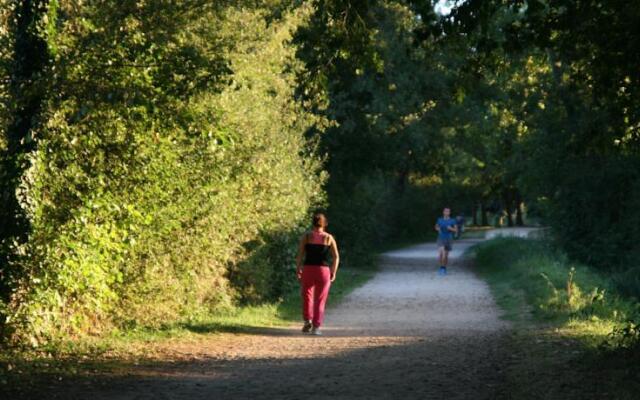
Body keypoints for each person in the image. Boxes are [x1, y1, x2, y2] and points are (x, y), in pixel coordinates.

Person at [295, 213, 340, 336]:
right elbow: (336, 257)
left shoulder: (307, 236)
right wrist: (333, 271)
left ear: (313, 223)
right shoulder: (329, 238)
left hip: (308, 269)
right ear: (325, 224)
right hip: (323, 270)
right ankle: (316, 327)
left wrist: (298, 268)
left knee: (307, 295)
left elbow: (300, 254)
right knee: (320, 299)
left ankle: (307, 321)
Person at [434, 207, 457, 275]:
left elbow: (456, 230)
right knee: (441, 254)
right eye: (445, 211)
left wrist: (450, 228)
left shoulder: (452, 220)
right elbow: (436, 227)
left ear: (449, 213)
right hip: (441, 238)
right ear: (443, 212)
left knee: (446, 255)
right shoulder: (439, 220)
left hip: (449, 238)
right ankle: (441, 268)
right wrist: (438, 229)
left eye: (448, 211)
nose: (447, 212)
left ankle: (444, 268)